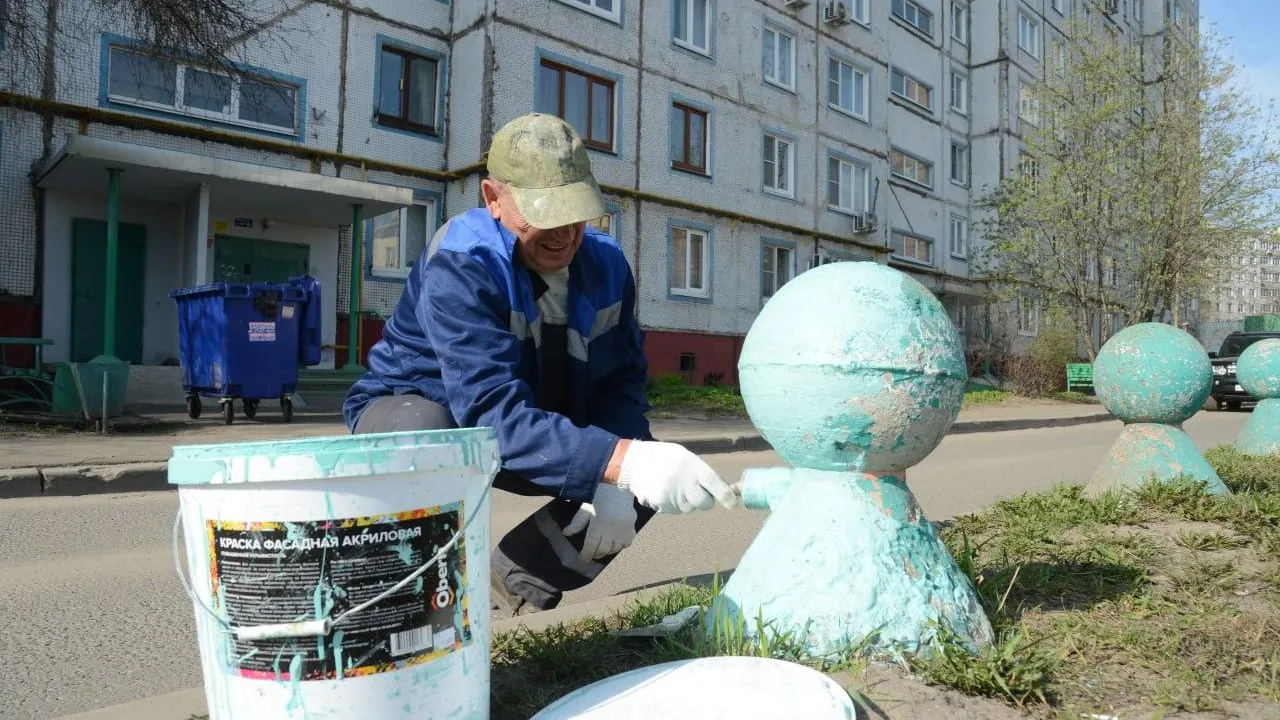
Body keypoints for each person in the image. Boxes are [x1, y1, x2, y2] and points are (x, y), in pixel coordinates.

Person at [343, 112, 740, 618]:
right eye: (543, 212)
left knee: (643, 476)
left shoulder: (608, 265)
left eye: (575, 211)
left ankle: (504, 594)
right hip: (419, 411)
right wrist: (617, 462)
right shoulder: (462, 262)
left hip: (525, 418)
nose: (563, 232)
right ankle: (404, 609)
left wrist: (621, 472)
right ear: (492, 198)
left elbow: (620, 384)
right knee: (429, 438)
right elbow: (486, 413)